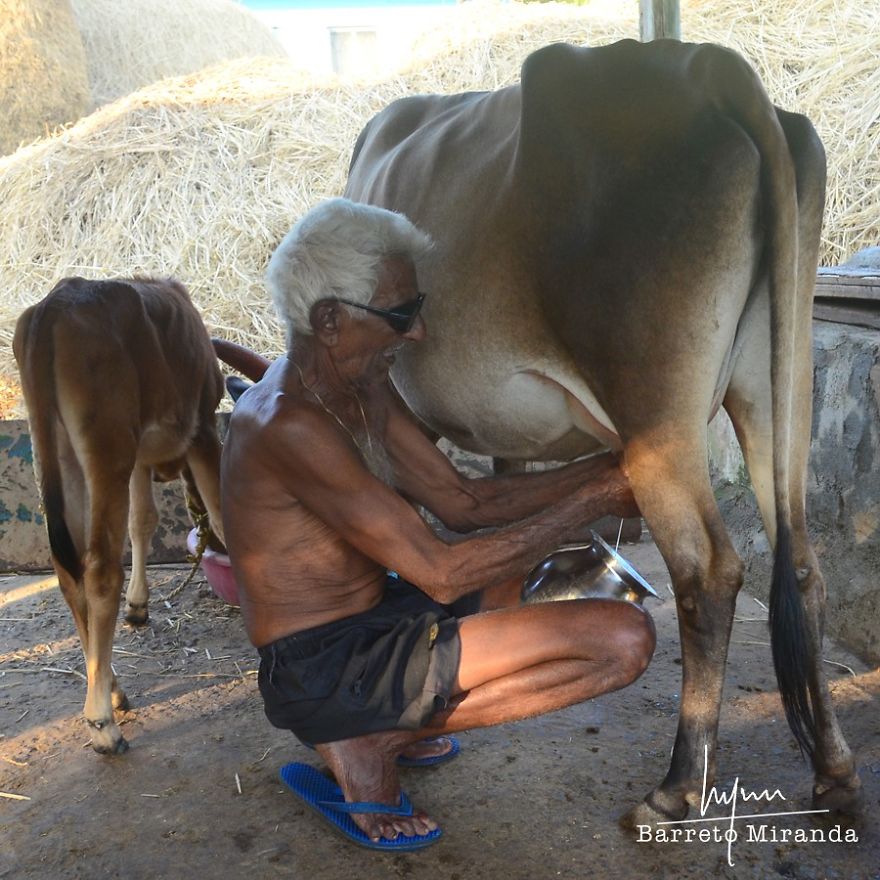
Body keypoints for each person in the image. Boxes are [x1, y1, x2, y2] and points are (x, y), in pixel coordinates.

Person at [220, 197, 655, 850]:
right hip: (321, 669)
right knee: (624, 640)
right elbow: (444, 573)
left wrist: (617, 469)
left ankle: (385, 723)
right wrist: (595, 496)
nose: (417, 333)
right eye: (401, 314)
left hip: (380, 617)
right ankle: (373, 735)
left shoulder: (355, 386)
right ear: (330, 320)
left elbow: (463, 503)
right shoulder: (289, 424)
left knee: (556, 587)